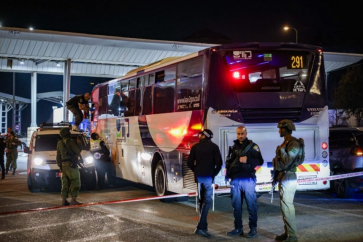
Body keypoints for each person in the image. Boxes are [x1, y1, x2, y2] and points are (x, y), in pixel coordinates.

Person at [225, 126, 264, 238]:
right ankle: (238, 228)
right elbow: (230, 162)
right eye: (238, 134)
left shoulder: (253, 147)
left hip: (248, 179)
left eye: (242, 133)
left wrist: (248, 160)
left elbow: (260, 161)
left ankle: (253, 230)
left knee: (251, 205)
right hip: (236, 180)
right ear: (236, 134)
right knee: (236, 206)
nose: (240, 136)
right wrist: (228, 176)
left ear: (246, 133)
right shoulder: (233, 147)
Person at [187, 129, 222, 238]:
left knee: (201, 201)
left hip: (199, 178)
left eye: (201, 134)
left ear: (203, 136)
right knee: (207, 202)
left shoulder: (195, 147)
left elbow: (189, 163)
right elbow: (219, 163)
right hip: (208, 178)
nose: (199, 135)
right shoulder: (214, 147)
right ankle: (201, 227)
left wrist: (196, 170)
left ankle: (203, 226)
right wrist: (213, 174)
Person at [272, 119, 302, 242]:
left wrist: (281, 150)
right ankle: (287, 233)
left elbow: (287, 161)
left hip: (289, 176)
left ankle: (293, 236)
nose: (279, 130)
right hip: (283, 176)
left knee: (288, 207)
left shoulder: (293, 144)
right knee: (284, 207)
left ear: (285, 129)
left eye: (280, 128)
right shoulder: (286, 142)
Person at [56, 127, 83, 206]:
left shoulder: (59, 143)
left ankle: (64, 200)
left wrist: (60, 166)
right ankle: (73, 200)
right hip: (71, 165)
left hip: (63, 166)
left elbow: (58, 156)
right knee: (75, 181)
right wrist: (79, 143)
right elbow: (77, 151)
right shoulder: (70, 142)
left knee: (65, 183)